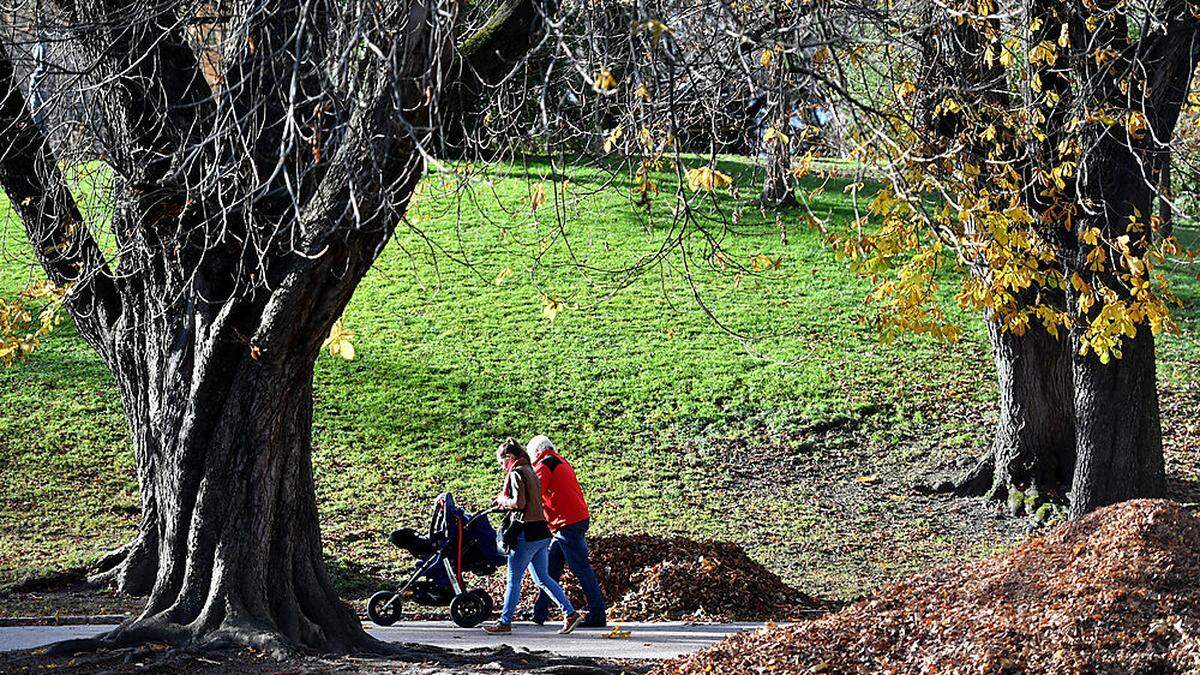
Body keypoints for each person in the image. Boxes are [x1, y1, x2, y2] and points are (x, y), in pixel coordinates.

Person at [483, 438, 583, 635]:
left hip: (526, 533)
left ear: (509, 457)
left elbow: (519, 503)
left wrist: (502, 500)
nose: (502, 466)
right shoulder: (530, 470)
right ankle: (570, 613)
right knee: (542, 578)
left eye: (502, 462)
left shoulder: (516, 473)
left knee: (513, 578)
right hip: (541, 532)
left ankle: (504, 622)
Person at [527, 435, 607, 627]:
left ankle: (598, 614)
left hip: (566, 523)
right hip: (573, 519)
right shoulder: (560, 460)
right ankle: (540, 612)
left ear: (537, 452)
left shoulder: (545, 465)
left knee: (581, 569)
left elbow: (533, 493)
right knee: (551, 570)